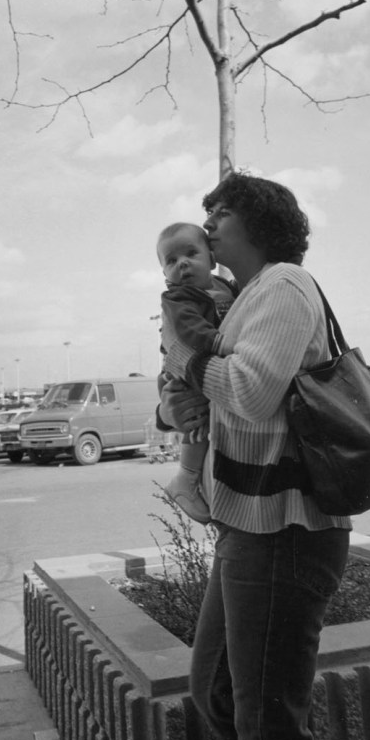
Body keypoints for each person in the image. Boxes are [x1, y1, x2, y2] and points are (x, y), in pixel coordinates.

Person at [158, 172, 358, 740]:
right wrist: (172, 405)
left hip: (288, 530)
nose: (208, 221)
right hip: (248, 525)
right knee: (216, 695)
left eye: (221, 211)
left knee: (270, 730)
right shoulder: (238, 298)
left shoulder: (284, 285)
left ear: (258, 221)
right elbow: (198, 402)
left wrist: (182, 359)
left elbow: (248, 391)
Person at [156, 222, 235, 524]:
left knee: (202, 421)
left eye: (191, 253)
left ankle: (190, 479)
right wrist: (219, 342)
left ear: (212, 259)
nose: (183, 264)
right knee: (196, 421)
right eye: (171, 261)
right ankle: (186, 478)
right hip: (187, 368)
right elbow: (189, 328)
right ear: (165, 274)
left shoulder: (226, 287)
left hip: (209, 361)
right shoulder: (178, 298)